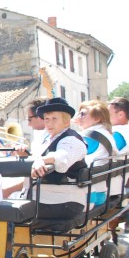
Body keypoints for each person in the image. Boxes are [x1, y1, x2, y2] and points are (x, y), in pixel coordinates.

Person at [27, 97, 88, 230]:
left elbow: (62, 156)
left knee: (6, 213)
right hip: (45, 197)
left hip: (64, 201)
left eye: (54, 119)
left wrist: (42, 160)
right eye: (46, 119)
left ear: (66, 121)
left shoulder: (72, 140)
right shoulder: (47, 139)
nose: (49, 123)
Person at [76, 100, 119, 205]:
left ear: (97, 119)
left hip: (89, 194)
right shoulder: (105, 133)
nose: (78, 117)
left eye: (82, 114)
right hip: (100, 191)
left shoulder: (89, 136)